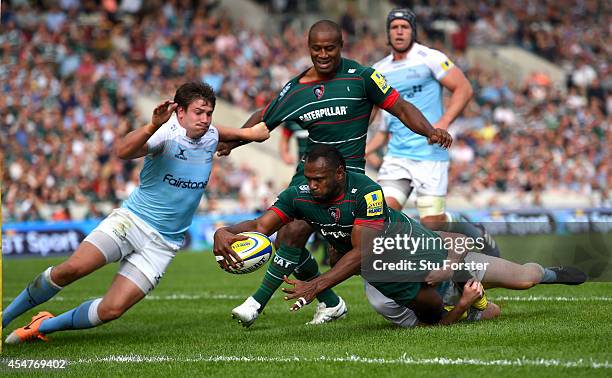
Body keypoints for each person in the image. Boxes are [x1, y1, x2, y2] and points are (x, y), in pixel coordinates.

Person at [217, 19, 452, 327]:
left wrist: (429, 131)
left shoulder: (362, 77)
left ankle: (319, 298)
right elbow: (264, 118)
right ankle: (278, 303)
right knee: (288, 234)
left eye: (330, 48)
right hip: (309, 175)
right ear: (308, 48)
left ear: (341, 46)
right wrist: (234, 141)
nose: (323, 54)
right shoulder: (296, 89)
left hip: (347, 176)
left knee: (328, 251)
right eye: (317, 49)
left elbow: (401, 107)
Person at [3, 82, 270, 344]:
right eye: (198, 113)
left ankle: (42, 325)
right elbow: (122, 151)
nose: (205, 119)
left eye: (209, 113)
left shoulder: (211, 134)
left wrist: (255, 130)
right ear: (180, 113)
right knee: (71, 269)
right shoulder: (165, 134)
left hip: (164, 244)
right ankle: (3, 318)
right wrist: (152, 125)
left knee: (111, 310)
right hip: (132, 221)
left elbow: (248, 132)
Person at [214, 145, 587, 326]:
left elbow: (363, 251)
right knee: (472, 310)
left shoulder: (367, 193)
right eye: (307, 178)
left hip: (428, 252)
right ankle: (469, 302)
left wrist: (318, 284)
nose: (310, 186)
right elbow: (262, 226)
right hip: (393, 272)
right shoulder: (300, 196)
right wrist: (224, 231)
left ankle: (549, 272)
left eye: (318, 179)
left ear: (340, 175)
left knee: (524, 278)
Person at [365, 8, 500, 256]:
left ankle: (469, 228)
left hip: (429, 154)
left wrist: (444, 122)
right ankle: (405, 273)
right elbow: (372, 115)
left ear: (413, 31)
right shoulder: (379, 69)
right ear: (388, 33)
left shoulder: (430, 58)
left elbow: (463, 88)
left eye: (404, 27)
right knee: (382, 215)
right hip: (396, 156)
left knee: (432, 223)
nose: (399, 31)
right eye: (394, 27)